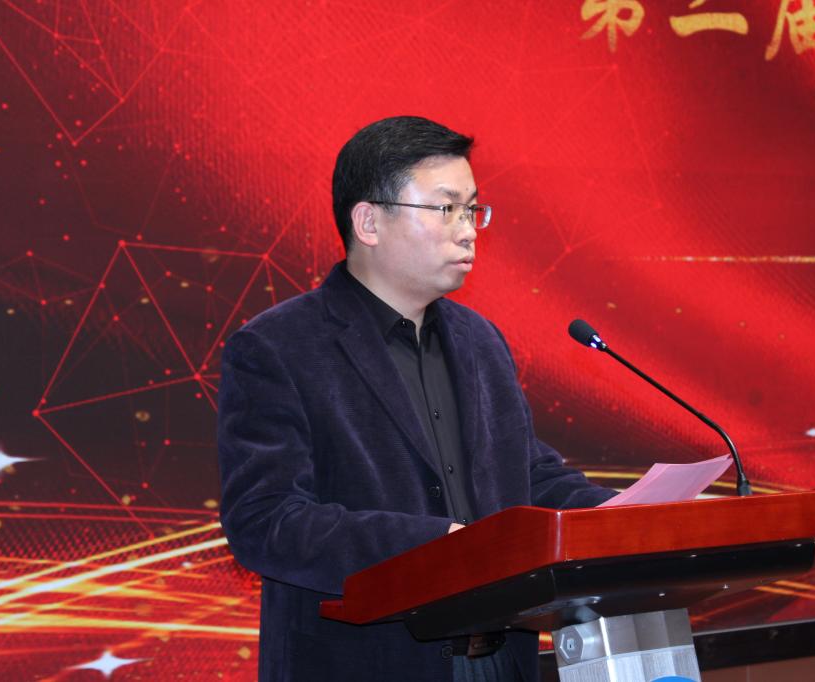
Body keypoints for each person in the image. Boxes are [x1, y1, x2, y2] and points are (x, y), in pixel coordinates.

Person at [217, 116, 617, 681]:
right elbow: (266, 520)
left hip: (501, 660)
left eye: (472, 209)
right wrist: (437, 546)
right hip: (368, 664)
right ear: (368, 222)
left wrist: (630, 515)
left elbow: (528, 476)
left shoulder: (480, 341)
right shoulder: (278, 347)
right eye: (445, 208)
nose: (468, 230)